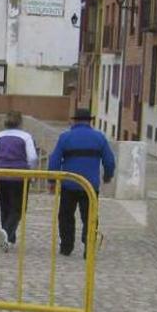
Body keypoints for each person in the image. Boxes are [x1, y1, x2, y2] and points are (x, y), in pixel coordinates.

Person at [48, 108, 115, 258]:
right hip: (90, 185)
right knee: (90, 217)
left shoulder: (65, 137)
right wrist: (107, 176)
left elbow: (54, 160)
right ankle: (89, 247)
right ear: (89, 121)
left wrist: (52, 180)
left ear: (75, 120)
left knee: (65, 216)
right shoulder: (99, 138)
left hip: (69, 183)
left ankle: (66, 246)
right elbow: (109, 161)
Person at [0, 111, 38, 252]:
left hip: (0, 176)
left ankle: (8, 239)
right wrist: (31, 173)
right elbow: (32, 158)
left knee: (5, 207)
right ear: (20, 123)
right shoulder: (26, 137)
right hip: (19, 177)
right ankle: (7, 233)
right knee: (18, 208)